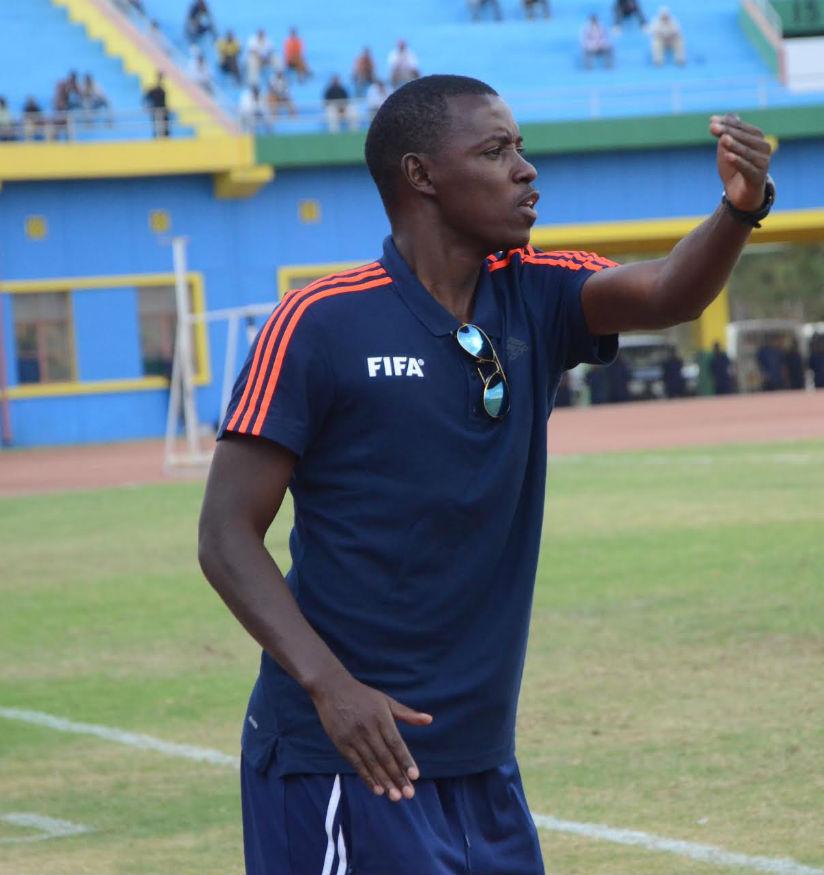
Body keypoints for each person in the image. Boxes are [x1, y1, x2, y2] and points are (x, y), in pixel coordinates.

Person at [198, 75, 774, 874]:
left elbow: (670, 290)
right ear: (421, 175)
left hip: (481, 763)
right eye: (496, 150)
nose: (525, 170)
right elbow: (224, 534)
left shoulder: (537, 292)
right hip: (343, 760)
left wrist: (739, 209)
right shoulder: (319, 322)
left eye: (522, 150)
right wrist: (331, 686)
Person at [143, 72, 170, 137]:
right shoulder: (154, 89)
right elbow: (145, 98)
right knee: (158, 127)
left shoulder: (162, 89)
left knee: (163, 127)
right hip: (157, 110)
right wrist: (147, 107)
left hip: (162, 110)